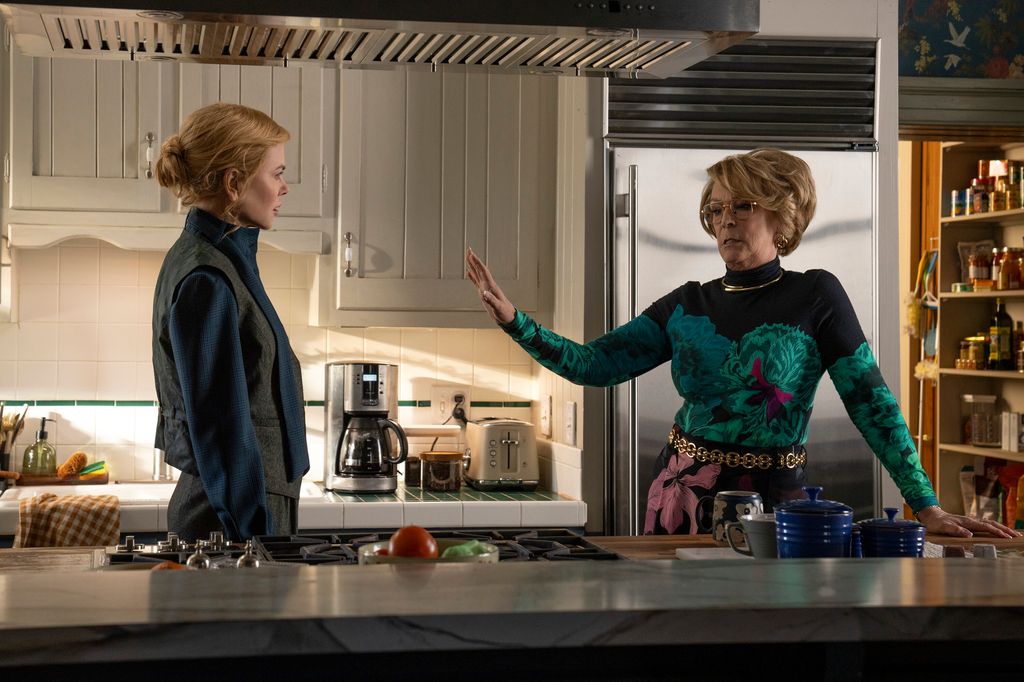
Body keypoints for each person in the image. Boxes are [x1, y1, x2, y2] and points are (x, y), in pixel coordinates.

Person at [466, 147, 1019, 539]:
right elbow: (596, 364)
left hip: (778, 505)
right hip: (680, 496)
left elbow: (873, 404)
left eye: (742, 207)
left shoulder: (818, 296)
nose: (725, 221)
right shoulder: (687, 304)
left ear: (781, 216)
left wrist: (925, 505)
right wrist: (517, 321)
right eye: (715, 210)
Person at [152, 103, 310, 542]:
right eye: (276, 173)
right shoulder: (207, 278)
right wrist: (256, 539)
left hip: (244, 508)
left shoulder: (226, 260)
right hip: (232, 520)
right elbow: (222, 431)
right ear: (234, 183)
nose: (284, 188)